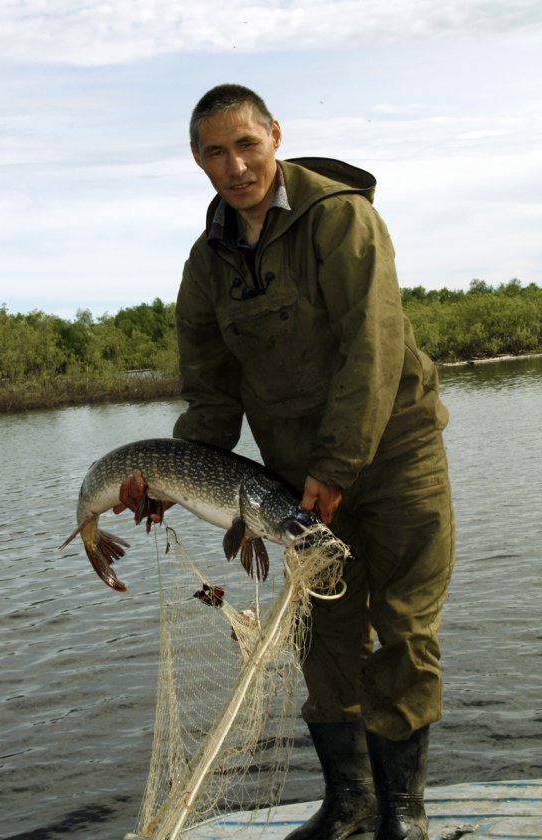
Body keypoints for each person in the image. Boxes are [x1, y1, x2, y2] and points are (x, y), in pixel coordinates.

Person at [119, 84, 455, 840]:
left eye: (246, 144)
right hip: (294, 479)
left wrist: (335, 471)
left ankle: (404, 813)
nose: (235, 165)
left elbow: (376, 349)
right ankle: (352, 804)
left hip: (397, 460)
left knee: (404, 630)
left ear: (275, 135)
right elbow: (210, 397)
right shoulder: (205, 266)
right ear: (198, 160)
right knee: (326, 638)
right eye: (214, 152)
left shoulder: (342, 219)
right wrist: (171, 481)